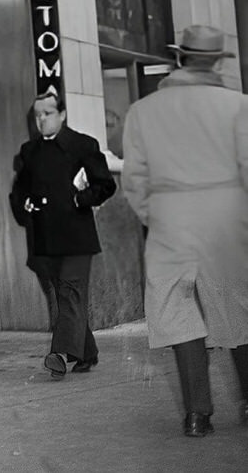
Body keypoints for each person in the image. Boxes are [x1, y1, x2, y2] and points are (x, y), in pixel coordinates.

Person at [121, 24, 248, 438]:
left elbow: (135, 181)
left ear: (178, 59)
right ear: (214, 62)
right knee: (238, 312)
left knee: (180, 317)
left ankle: (197, 415)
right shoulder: (239, 106)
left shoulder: (145, 111)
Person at [9, 92, 116, 381]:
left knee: (69, 293)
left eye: (47, 113)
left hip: (76, 236)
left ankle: (59, 354)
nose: (41, 119)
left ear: (62, 114)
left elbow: (106, 185)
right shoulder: (29, 151)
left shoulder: (83, 145)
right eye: (37, 115)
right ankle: (87, 352)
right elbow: (19, 190)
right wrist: (25, 204)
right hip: (45, 238)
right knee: (67, 297)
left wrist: (80, 200)